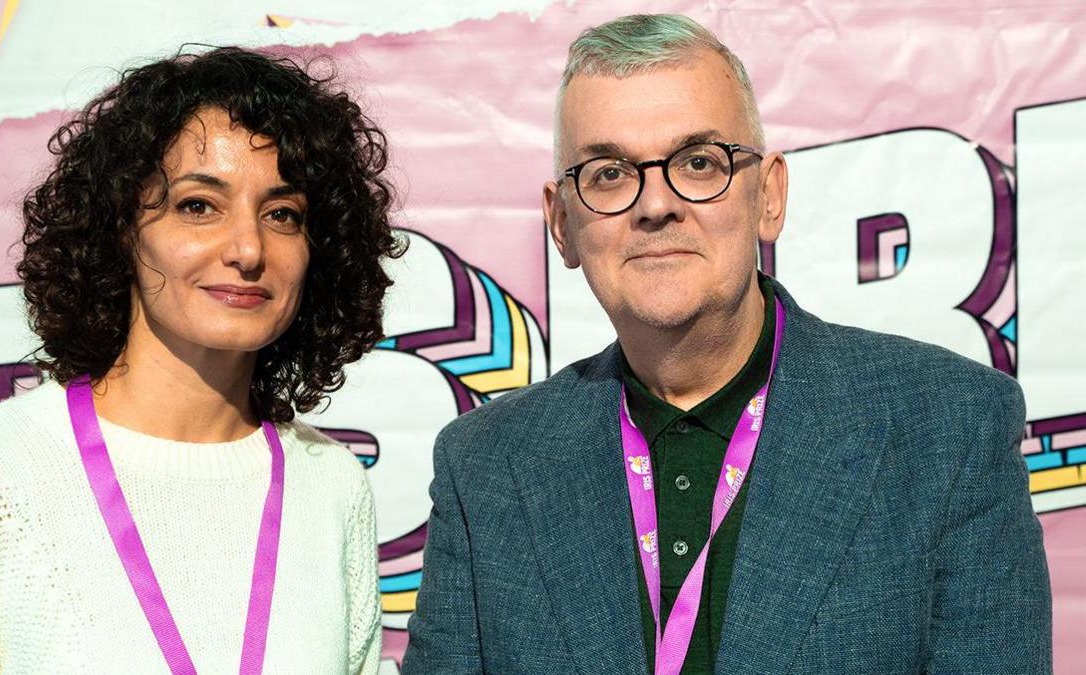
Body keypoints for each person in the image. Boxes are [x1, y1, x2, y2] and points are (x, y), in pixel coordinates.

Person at [404, 13, 1051, 675]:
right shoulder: (484, 468)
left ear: (768, 196)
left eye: (698, 161)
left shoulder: (948, 428)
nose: (655, 204)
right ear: (561, 223)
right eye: (608, 173)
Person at [0, 47, 401, 673]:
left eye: (282, 214)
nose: (247, 247)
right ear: (121, 229)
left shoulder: (332, 486)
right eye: (197, 205)